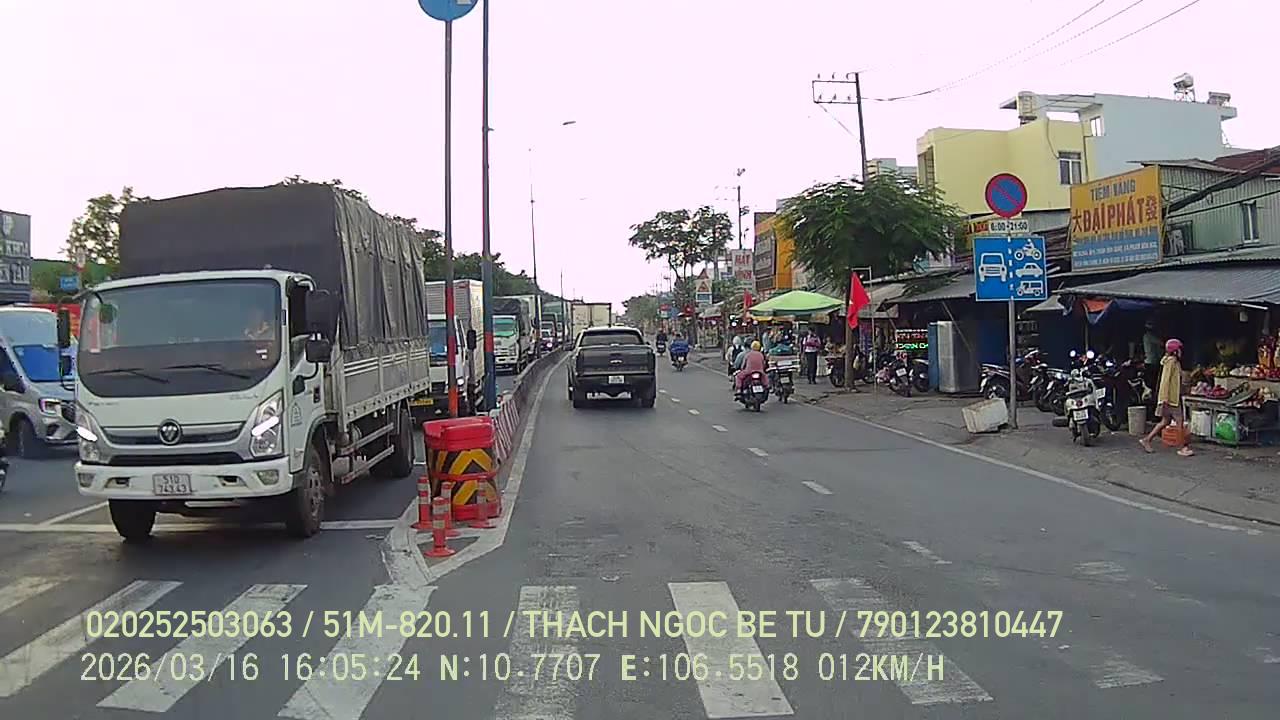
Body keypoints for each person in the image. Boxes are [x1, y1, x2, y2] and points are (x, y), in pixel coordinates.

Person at [1140, 338, 1193, 457]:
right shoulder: (1171, 362)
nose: (1181, 352)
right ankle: (1182, 447)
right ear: (1175, 351)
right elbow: (1165, 381)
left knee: (1165, 421)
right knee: (1179, 421)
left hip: (1170, 397)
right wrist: (1164, 398)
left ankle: (1147, 439)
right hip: (1170, 398)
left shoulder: (1172, 361)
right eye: (1179, 350)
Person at [1142, 320, 1162, 396]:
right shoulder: (1150, 336)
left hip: (1149, 361)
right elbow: (1161, 343)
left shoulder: (1146, 336)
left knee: (1151, 380)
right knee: (1153, 381)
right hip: (1152, 361)